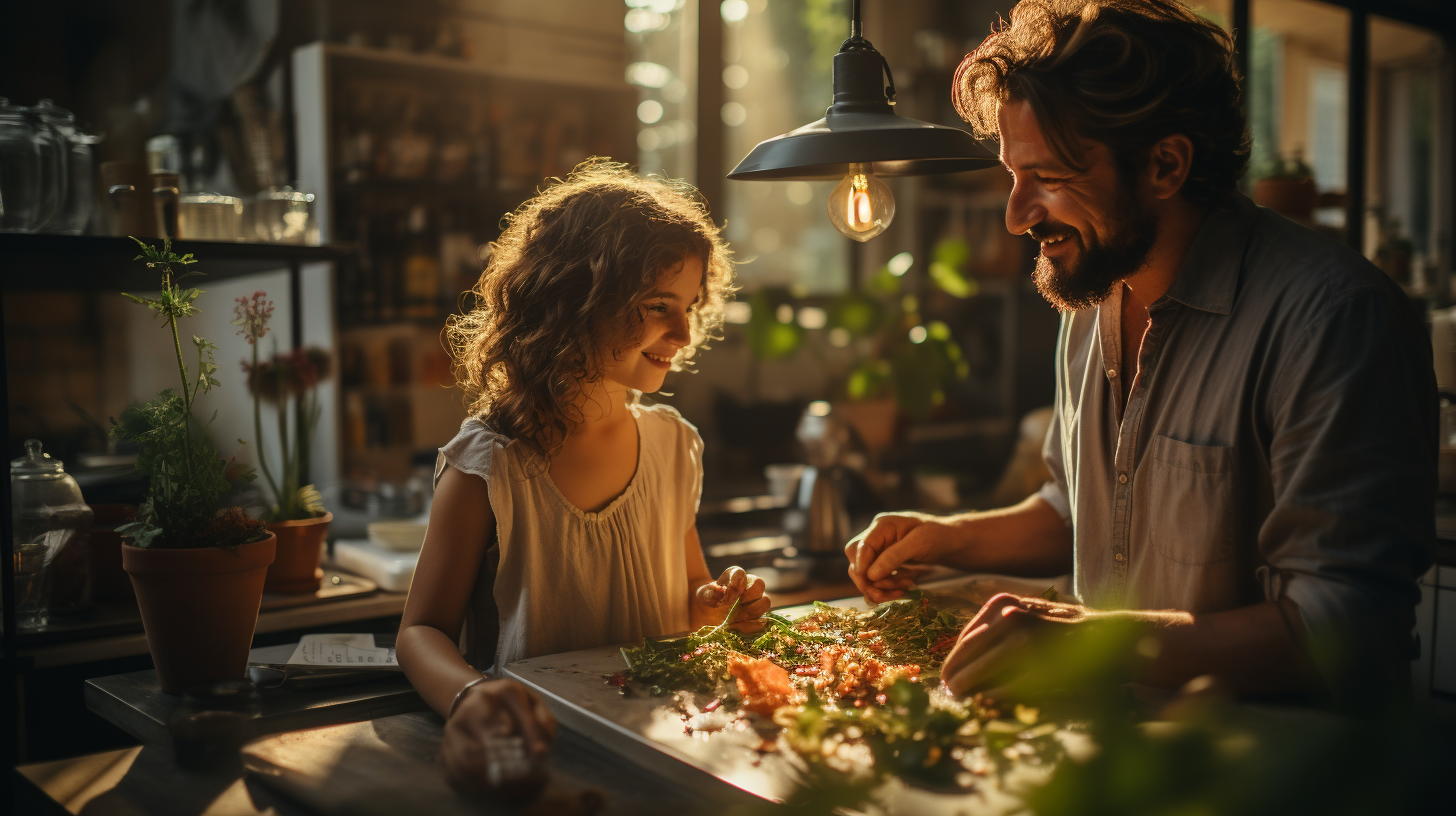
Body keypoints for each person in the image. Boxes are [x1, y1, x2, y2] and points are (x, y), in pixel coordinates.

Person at [845, 0, 1435, 708]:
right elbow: (1086, 509)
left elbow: (1346, 626)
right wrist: (946, 537)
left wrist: (1091, 643)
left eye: (1051, 178)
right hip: (1124, 765)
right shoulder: (1093, 297)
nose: (1017, 215)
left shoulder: (1335, 319)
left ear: (1165, 164)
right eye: (1013, 174)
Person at [396, 159, 767, 795]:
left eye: (690, 307)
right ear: (575, 298)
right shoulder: (490, 463)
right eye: (658, 305)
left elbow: (690, 593)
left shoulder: (674, 445)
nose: (682, 332)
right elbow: (419, 632)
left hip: (667, 749)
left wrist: (719, 607)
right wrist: (469, 697)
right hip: (544, 761)